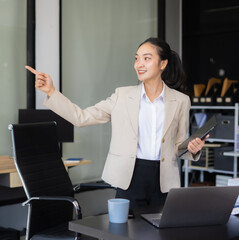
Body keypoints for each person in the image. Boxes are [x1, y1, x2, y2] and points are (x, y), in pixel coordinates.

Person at [25, 37, 207, 210]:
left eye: (146, 58)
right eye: (137, 59)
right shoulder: (121, 96)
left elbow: (178, 146)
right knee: (127, 233)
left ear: (163, 64)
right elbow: (81, 117)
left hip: (164, 182)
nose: (139, 64)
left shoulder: (182, 101)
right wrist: (51, 91)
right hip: (129, 179)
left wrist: (193, 148)